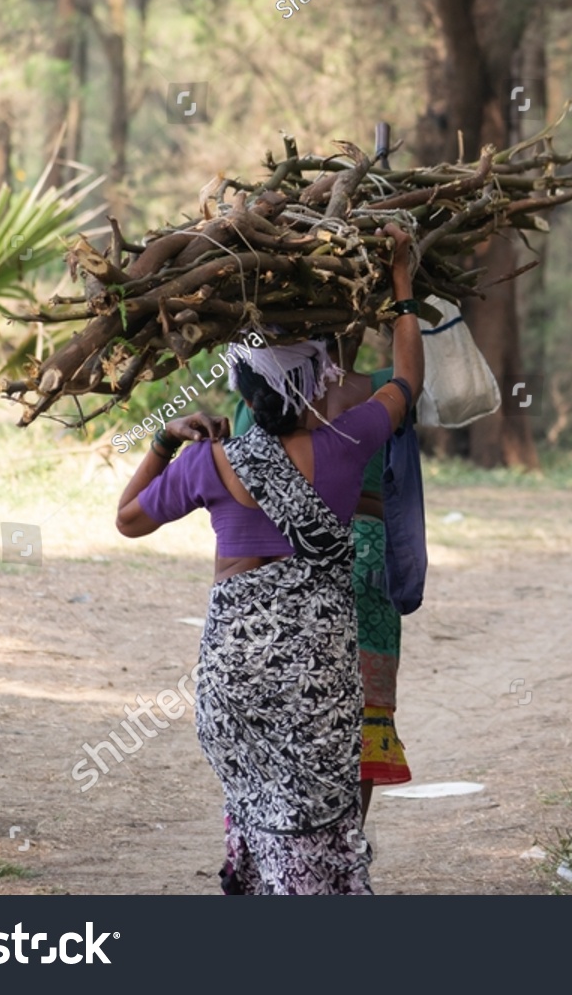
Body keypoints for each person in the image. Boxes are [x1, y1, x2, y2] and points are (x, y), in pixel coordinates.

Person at [115, 223, 423, 895]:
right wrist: (403, 286)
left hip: (233, 679)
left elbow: (127, 519)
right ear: (315, 384)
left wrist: (166, 440)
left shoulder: (208, 460)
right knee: (314, 829)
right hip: (315, 678)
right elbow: (407, 381)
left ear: (246, 394)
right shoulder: (346, 444)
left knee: (260, 813)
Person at [233, 335, 416, 826]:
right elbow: (411, 377)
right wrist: (404, 296)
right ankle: (347, 840)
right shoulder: (379, 391)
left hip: (290, 555)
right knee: (364, 712)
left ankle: (281, 832)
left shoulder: (258, 396)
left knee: (291, 701)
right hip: (366, 558)